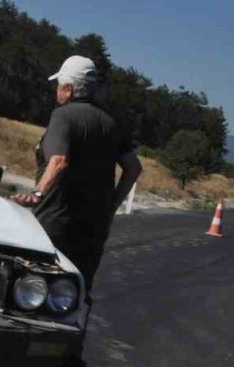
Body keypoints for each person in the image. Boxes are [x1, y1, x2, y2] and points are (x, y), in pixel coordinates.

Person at [12, 55, 141, 296]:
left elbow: (59, 160)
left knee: (33, 292)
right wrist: (111, 207)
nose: (57, 91)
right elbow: (134, 168)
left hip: (55, 224)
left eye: (59, 85)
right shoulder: (111, 123)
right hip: (94, 230)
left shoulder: (63, 116)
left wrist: (38, 193)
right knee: (74, 295)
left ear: (69, 89)